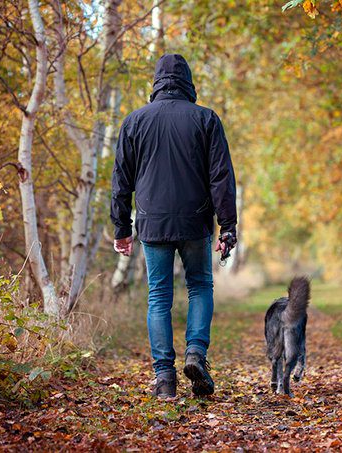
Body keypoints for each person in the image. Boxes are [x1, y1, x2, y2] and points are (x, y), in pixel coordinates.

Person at [110, 54, 237, 399]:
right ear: (188, 81)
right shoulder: (206, 119)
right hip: (196, 221)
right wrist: (228, 226)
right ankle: (196, 352)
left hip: (152, 223)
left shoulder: (134, 122)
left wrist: (122, 226)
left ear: (156, 81)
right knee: (199, 287)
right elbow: (221, 177)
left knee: (158, 297)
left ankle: (164, 378)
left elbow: (121, 179)